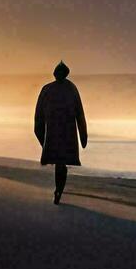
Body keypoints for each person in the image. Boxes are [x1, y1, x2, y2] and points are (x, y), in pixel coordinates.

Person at [34, 61, 87, 204]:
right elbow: (80, 115)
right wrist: (83, 137)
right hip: (67, 134)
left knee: (60, 163)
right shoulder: (71, 89)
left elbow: (38, 117)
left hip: (54, 134)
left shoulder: (47, 89)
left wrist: (42, 138)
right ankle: (59, 190)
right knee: (61, 164)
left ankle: (58, 191)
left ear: (56, 74)